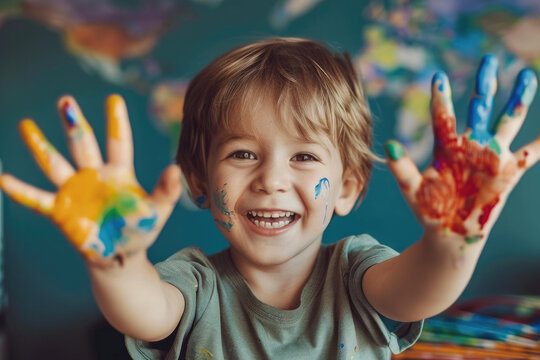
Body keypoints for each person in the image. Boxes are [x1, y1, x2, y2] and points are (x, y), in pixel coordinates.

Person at [0, 38, 538, 359]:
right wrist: (118, 264)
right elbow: (143, 312)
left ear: (347, 187)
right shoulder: (193, 284)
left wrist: (452, 244)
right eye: (242, 154)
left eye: (304, 157)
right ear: (199, 183)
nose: (272, 180)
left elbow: (420, 291)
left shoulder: (357, 272)